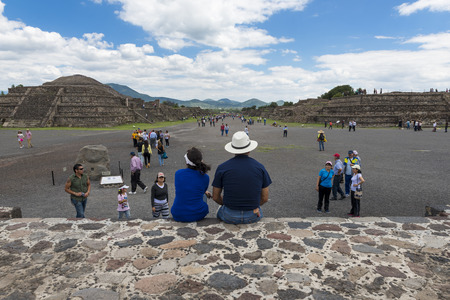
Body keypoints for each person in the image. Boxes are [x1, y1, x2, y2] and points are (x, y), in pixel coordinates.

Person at [212, 131, 272, 224]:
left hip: (229, 216)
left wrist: (226, 204)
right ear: (249, 149)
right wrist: (254, 206)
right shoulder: (259, 167)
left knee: (220, 210)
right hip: (252, 215)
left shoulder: (222, 167)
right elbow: (265, 198)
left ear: (233, 149)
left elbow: (215, 197)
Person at [171, 148, 211, 222]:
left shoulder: (178, 174)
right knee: (203, 195)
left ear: (187, 162)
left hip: (178, 213)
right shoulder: (205, 177)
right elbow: (203, 190)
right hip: (198, 213)